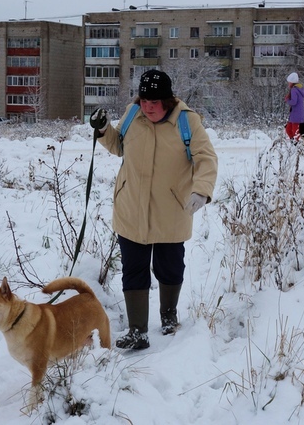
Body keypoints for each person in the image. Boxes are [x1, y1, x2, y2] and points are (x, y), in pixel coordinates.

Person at [89, 69, 218, 350]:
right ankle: (138, 330)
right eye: (145, 99)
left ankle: (168, 315)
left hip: (170, 210)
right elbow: (118, 146)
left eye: (155, 101)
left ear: (168, 100)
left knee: (169, 268)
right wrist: (102, 130)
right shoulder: (133, 114)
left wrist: (201, 190)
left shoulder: (187, 121)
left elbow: (206, 159)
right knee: (133, 270)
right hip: (131, 208)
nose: (148, 106)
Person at [284, 72, 304, 141]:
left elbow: (294, 102)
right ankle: (294, 143)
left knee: (294, 131)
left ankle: (297, 144)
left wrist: (287, 99)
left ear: (292, 82)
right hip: (297, 114)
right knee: (289, 129)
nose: (288, 84)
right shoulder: (299, 89)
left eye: (289, 82)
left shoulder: (294, 90)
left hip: (295, 114)